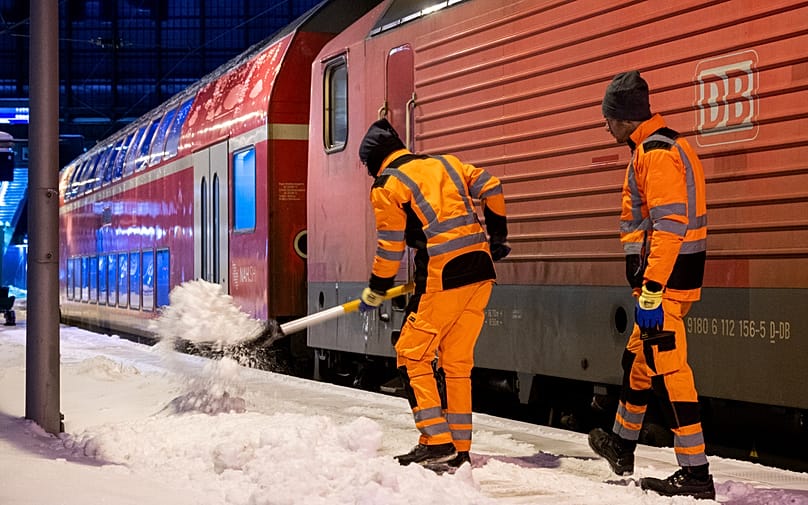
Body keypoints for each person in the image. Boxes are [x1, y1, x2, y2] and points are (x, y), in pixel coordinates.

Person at [587, 71, 714, 500]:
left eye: (608, 117)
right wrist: (632, 258)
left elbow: (669, 225)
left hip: (669, 281)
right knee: (638, 361)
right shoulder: (659, 145)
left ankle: (695, 473)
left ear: (623, 118)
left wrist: (653, 287)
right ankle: (622, 445)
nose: (605, 125)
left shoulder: (656, 153)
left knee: (671, 370)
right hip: (671, 276)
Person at [357, 118, 509, 471]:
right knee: (456, 364)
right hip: (482, 271)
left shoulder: (387, 185)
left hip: (444, 275)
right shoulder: (446, 163)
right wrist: (498, 237)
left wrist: (377, 289)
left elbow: (390, 248)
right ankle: (460, 448)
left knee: (411, 354)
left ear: (375, 160)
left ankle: (436, 441)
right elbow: (492, 184)